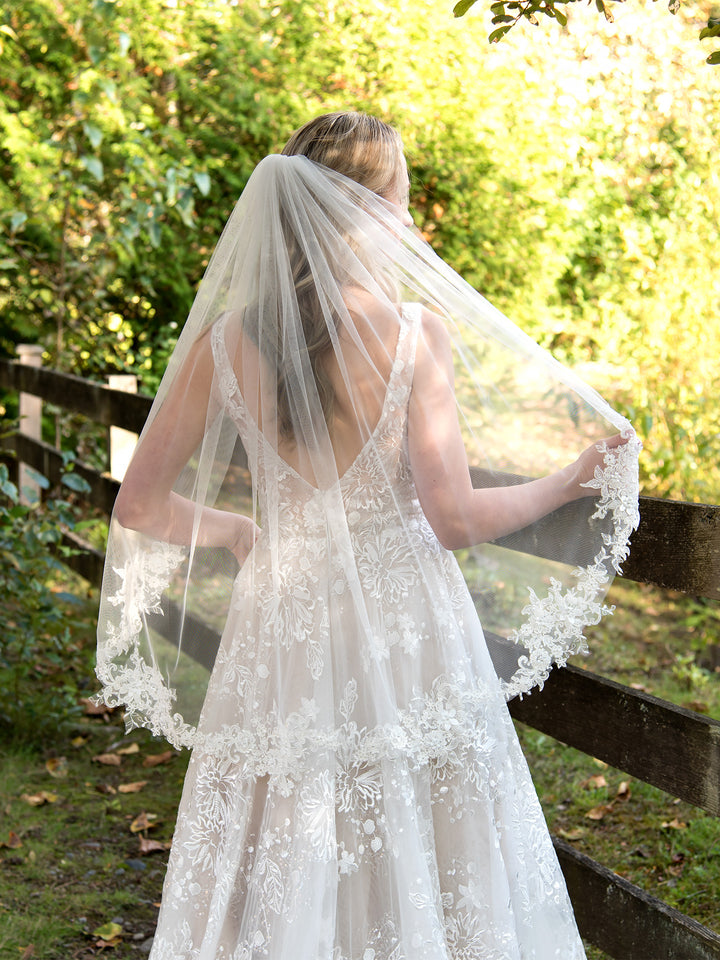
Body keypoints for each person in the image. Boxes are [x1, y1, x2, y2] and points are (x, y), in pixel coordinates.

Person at [96, 112, 640, 960]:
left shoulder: (224, 340)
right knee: (424, 829)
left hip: (281, 626)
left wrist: (239, 530)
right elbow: (455, 518)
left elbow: (137, 507)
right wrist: (569, 479)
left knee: (285, 831)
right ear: (369, 208)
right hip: (408, 627)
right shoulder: (416, 335)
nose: (411, 222)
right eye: (403, 200)